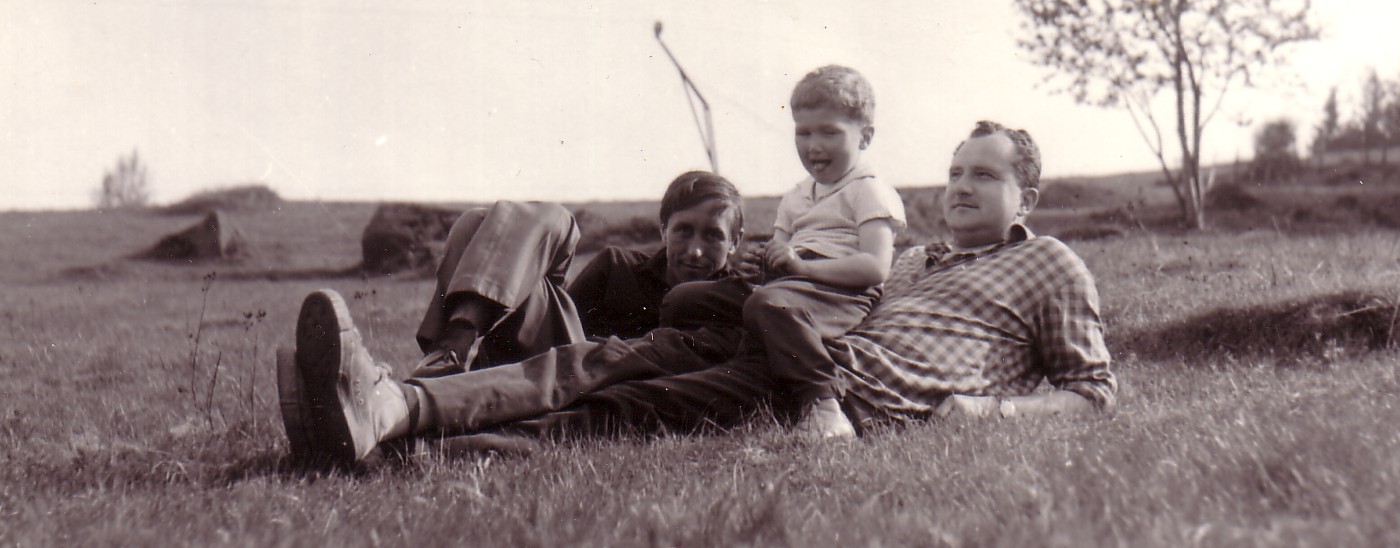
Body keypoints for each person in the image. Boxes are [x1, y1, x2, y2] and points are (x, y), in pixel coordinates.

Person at [283, 120, 1115, 466]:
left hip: (827, 389)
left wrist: (990, 413)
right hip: (787, 355)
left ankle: (394, 435)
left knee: (615, 410)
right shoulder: (911, 261)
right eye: (957, 172)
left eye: (985, 177)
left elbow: (1091, 392)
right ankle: (394, 409)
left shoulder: (1052, 266)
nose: (961, 186)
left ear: (1028, 198)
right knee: (592, 365)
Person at [277, 170, 753, 465]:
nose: (694, 250)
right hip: (549, 372)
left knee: (479, 226)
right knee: (508, 220)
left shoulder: (739, 300)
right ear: (662, 228)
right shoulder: (618, 266)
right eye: (683, 231)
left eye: (713, 236)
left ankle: (365, 409)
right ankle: (451, 349)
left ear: (736, 242)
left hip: (606, 398)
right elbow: (545, 317)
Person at [675, 64, 905, 440]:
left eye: (830, 132)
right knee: (686, 298)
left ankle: (824, 404)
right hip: (789, 286)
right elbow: (778, 249)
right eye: (804, 132)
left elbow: (875, 267)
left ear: (865, 137)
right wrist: (762, 261)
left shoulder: (868, 190)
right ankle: (706, 363)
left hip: (840, 290)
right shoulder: (796, 196)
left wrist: (802, 269)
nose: (814, 146)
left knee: (769, 305)